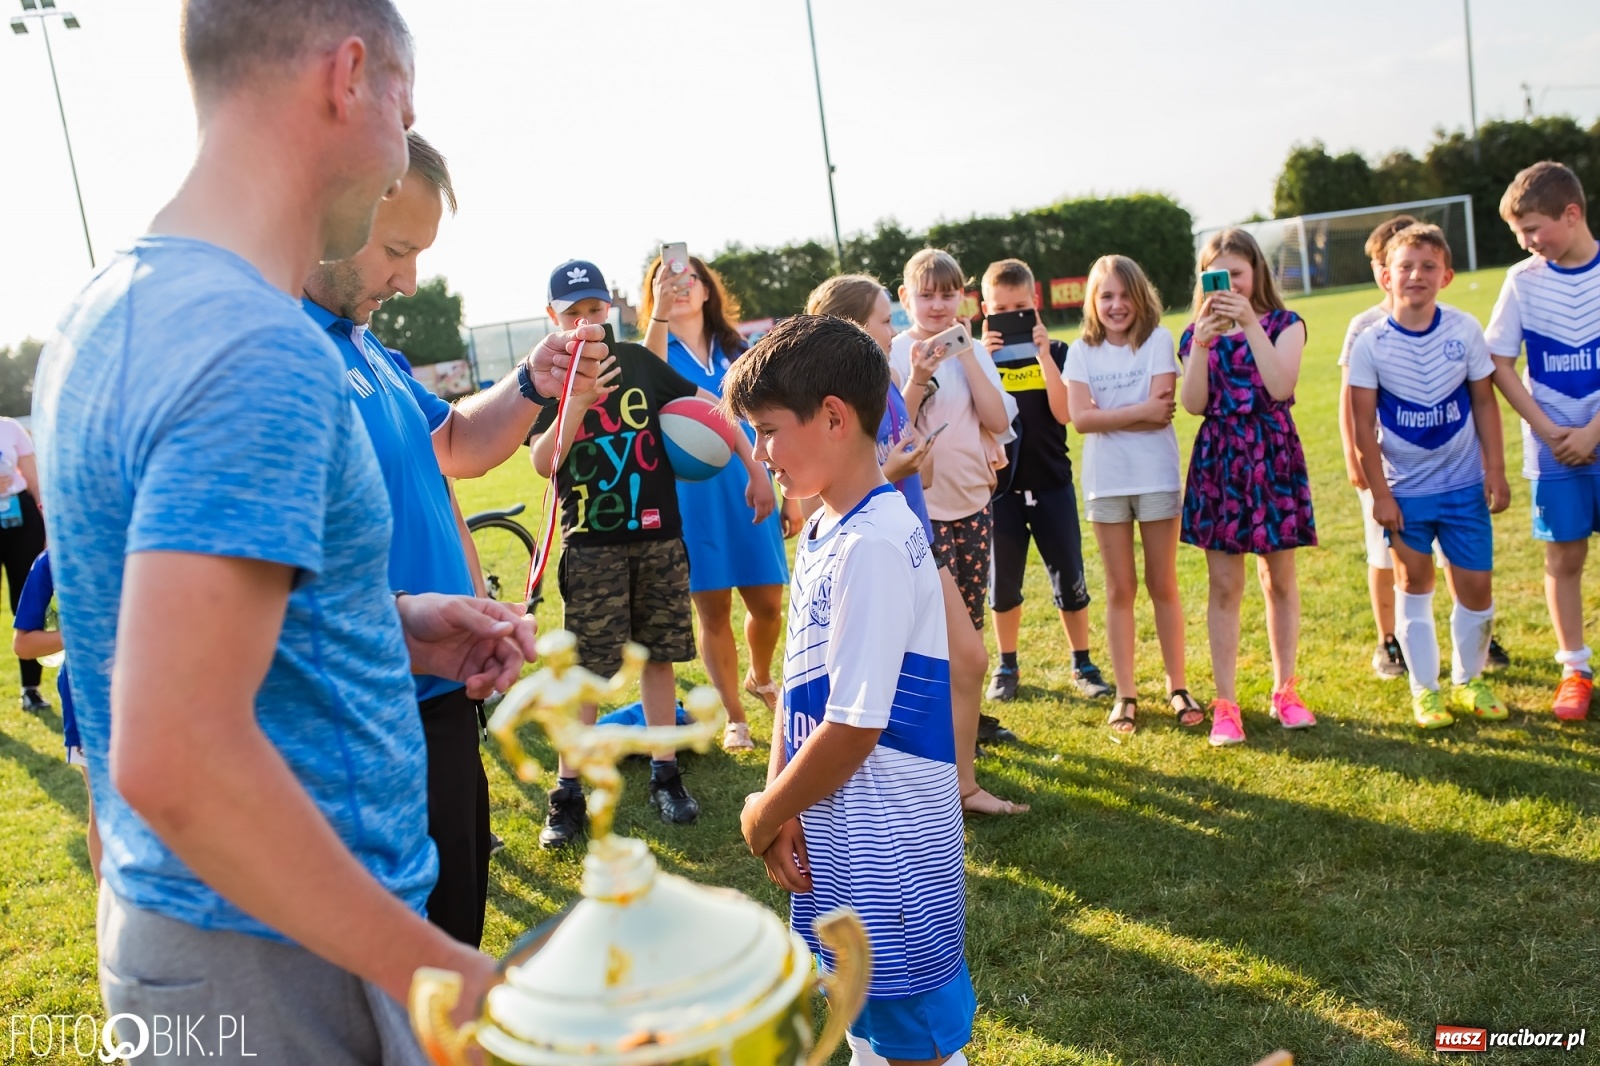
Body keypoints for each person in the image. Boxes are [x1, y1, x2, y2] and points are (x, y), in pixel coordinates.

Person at [29, 3, 563, 1059]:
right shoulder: (252, 344)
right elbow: (176, 753)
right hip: (284, 956)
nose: (402, 146)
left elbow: (176, 638)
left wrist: (392, 624)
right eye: (405, 112)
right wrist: (432, 967)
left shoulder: (113, 303)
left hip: (204, 933)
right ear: (349, 76)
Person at [302, 130, 578, 947]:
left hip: (441, 690)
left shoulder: (364, 344)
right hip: (361, 715)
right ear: (330, 207)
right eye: (397, 250)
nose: (409, 280)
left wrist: (532, 381)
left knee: (455, 928)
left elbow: (456, 443)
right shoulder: (276, 353)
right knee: (398, 957)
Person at [728, 314, 975, 1066]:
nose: (760, 453)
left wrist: (764, 811)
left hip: (892, 860)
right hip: (836, 843)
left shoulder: (872, 545)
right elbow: (801, 684)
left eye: (769, 431)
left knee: (913, 1045)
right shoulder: (823, 530)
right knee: (862, 1023)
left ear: (834, 417)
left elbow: (855, 726)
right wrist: (782, 803)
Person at [805, 275, 1026, 817]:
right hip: (877, 551)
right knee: (889, 682)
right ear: (853, 327)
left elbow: (907, 467)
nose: (895, 329)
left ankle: (961, 788)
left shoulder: (882, 380)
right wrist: (894, 470)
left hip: (916, 538)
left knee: (967, 660)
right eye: (885, 320)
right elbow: (826, 498)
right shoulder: (828, 400)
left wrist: (913, 455)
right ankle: (911, 794)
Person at [530, 260, 712, 848]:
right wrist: (577, 402)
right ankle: (567, 793)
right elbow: (543, 463)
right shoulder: (549, 378)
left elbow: (704, 408)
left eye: (594, 309)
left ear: (609, 307)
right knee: (587, 673)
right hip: (591, 547)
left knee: (660, 658)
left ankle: (666, 774)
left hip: (659, 539)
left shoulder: (635, 360)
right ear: (553, 317)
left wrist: (752, 467)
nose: (586, 321)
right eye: (573, 313)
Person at [1348, 223, 1510, 728]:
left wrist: (1495, 470)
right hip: (1405, 494)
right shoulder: (1371, 343)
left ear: (1446, 276)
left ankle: (1469, 680)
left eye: (1428, 266)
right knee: (1413, 583)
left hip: (1463, 487)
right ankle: (1426, 689)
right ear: (1386, 276)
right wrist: (1380, 494)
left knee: (1476, 588)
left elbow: (1485, 402)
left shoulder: (1464, 330)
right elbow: (1362, 426)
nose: (1416, 275)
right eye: (1405, 266)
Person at [889, 249, 1027, 815]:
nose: (939, 305)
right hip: (922, 510)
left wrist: (967, 355)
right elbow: (895, 424)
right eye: (926, 295)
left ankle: (961, 736)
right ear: (905, 299)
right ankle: (933, 748)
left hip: (973, 503)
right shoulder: (896, 350)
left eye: (948, 294)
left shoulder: (974, 349)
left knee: (968, 624)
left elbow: (998, 420)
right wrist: (920, 373)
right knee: (927, 633)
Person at [641, 254, 795, 753]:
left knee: (768, 606)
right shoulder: (653, 349)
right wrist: (659, 313)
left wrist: (783, 488)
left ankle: (759, 675)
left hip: (751, 484)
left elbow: (771, 419)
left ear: (708, 290)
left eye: (690, 278)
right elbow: (648, 382)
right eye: (667, 280)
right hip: (690, 498)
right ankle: (735, 717)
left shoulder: (739, 349)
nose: (680, 286)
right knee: (713, 611)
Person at [1179, 229, 1317, 746]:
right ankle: (1226, 704)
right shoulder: (1194, 335)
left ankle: (1286, 690)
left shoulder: (1285, 325)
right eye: (1216, 276)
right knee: (1224, 586)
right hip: (1220, 462)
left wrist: (1250, 324)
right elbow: (1194, 404)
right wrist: (1203, 342)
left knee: (1279, 581)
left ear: (1256, 271)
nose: (1228, 284)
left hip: (1272, 455)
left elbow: (1280, 386)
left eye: (1236, 273)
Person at [1065, 256, 1198, 736]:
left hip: (1156, 477)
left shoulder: (1159, 341)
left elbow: (1162, 413)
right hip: (1106, 483)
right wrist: (1139, 411)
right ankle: (1126, 693)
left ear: (1141, 298)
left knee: (1163, 584)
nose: (1116, 305)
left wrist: (1111, 416)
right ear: (1093, 302)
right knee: (1120, 589)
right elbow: (1081, 420)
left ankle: (1178, 686)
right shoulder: (1081, 351)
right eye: (1106, 296)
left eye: (1125, 295)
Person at [1487, 161, 1600, 721]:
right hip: (1554, 452)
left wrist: (1593, 430)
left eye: (1532, 229)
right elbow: (1499, 361)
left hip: (1594, 435)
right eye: (1518, 233)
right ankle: (1574, 669)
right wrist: (1548, 429)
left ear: (1571, 214)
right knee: (1563, 557)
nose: (1526, 243)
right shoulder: (1522, 280)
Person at [980, 258, 1110, 703]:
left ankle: (1082, 662)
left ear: (1034, 303)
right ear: (985, 310)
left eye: (1019, 307)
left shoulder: (1056, 351)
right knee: (1003, 586)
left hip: (1052, 483)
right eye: (1001, 309)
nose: (1010, 315)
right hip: (1000, 492)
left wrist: (1042, 356)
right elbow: (979, 415)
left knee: (1069, 576)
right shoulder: (978, 360)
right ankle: (1007, 664)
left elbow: (1064, 413)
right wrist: (985, 360)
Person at [12, 548, 99, 880]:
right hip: (88, 702)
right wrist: (79, 634)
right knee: (105, 808)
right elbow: (24, 644)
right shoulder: (54, 559)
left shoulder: (149, 542)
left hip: (155, 695)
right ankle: (108, 902)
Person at [0, 416, 48, 712]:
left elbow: (35, 482)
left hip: (22, 522)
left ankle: (31, 689)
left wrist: (48, 528)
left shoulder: (10, 427)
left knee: (27, 603)